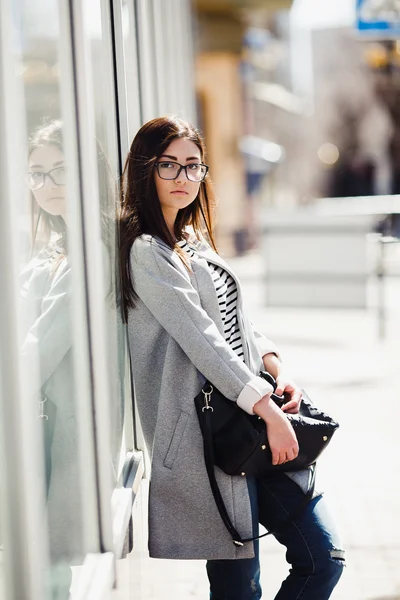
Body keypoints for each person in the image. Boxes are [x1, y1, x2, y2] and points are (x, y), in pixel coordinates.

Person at [119, 116, 345, 599]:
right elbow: (201, 338)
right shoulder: (146, 251)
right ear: (144, 171)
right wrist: (265, 406)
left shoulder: (192, 240)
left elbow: (234, 323)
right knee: (239, 585)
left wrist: (275, 369)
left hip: (250, 422)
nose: (184, 178)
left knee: (323, 558)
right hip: (213, 436)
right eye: (169, 166)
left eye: (193, 167)